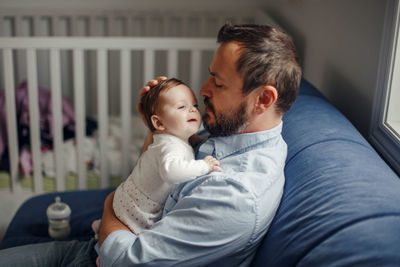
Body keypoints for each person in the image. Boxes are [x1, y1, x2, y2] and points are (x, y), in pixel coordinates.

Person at [0, 23, 301, 267]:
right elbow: (157, 166)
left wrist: (110, 207)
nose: (203, 89)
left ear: (263, 99)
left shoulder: (235, 197)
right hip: (94, 246)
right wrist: (158, 130)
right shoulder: (233, 130)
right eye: (210, 76)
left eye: (218, 83)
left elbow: (122, 260)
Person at [92, 78, 221, 266]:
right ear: (159, 123)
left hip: (126, 198)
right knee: (132, 233)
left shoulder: (172, 138)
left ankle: (99, 229)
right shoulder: (170, 147)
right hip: (136, 212)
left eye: (194, 105)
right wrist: (204, 166)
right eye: (181, 107)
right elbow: (172, 172)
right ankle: (100, 254)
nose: (193, 109)